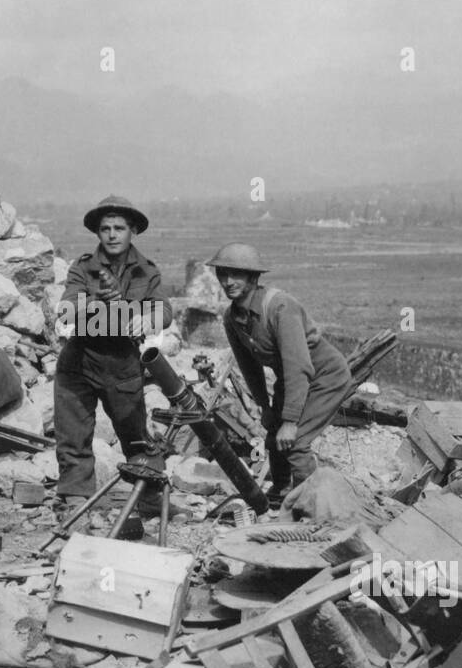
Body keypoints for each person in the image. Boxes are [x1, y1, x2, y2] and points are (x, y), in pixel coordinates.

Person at [208, 242, 352, 505]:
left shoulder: (280, 307)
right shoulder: (232, 318)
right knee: (274, 437)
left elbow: (299, 366)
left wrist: (291, 421)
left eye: (236, 275)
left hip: (325, 376)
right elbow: (250, 368)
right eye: (222, 274)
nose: (228, 282)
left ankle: (311, 506)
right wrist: (265, 408)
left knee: (295, 442)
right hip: (292, 377)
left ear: (253, 277)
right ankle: (281, 492)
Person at [54, 195, 173, 514]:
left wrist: (146, 319)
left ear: (132, 230)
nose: (112, 234)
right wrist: (97, 303)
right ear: (98, 233)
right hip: (79, 361)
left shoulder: (147, 272)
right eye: (105, 228)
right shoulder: (82, 268)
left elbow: (163, 309)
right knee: (73, 433)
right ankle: (75, 497)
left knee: (135, 436)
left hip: (122, 365)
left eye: (119, 227)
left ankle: (148, 496)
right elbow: (67, 311)